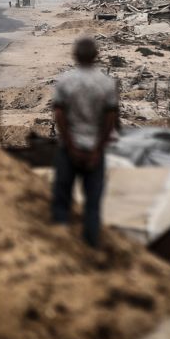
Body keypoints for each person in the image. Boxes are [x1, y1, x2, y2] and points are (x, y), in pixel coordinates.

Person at [50, 37, 119, 248]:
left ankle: (60, 244)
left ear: (75, 56)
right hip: (95, 149)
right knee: (93, 203)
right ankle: (90, 245)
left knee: (62, 198)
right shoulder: (106, 83)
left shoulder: (65, 81)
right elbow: (110, 119)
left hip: (69, 148)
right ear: (96, 56)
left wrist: (70, 146)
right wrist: (98, 148)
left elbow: (60, 116)